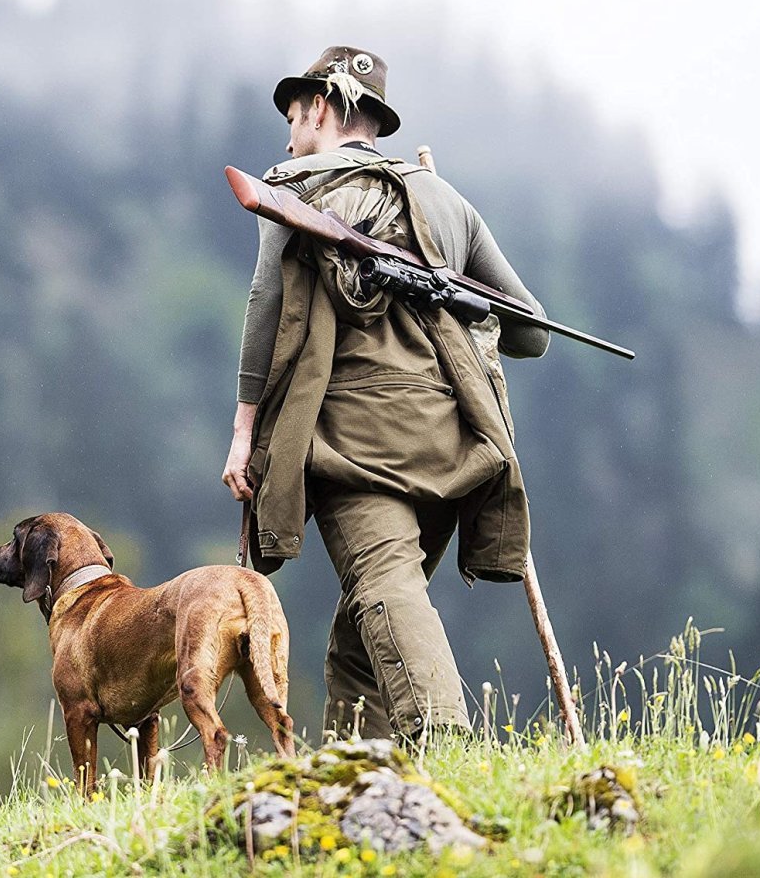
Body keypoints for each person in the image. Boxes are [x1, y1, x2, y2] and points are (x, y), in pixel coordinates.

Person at [222, 45, 548, 740]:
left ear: (323, 107)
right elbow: (532, 334)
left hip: (356, 445)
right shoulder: (444, 198)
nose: (288, 136)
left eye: (294, 115)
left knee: (382, 588)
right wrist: (456, 290)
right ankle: (361, 780)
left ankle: (447, 747)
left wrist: (245, 431)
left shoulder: (294, 186)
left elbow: (265, 303)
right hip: (454, 444)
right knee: (361, 637)